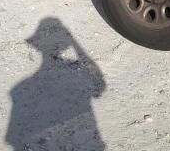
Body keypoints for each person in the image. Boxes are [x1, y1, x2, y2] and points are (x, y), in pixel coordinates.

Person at [6, 17, 106, 150]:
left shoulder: (19, 89)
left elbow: (13, 138)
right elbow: (99, 85)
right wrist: (75, 43)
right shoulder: (78, 75)